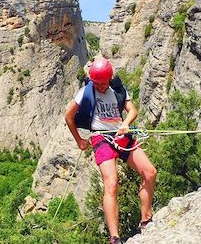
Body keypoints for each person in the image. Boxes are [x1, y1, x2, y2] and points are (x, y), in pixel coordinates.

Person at [65, 57, 157, 244]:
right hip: (101, 138)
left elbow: (132, 110)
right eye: (96, 83)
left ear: (109, 79)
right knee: (112, 183)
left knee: (150, 172)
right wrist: (79, 141)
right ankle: (114, 238)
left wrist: (125, 123)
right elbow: (69, 117)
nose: (99, 87)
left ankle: (146, 218)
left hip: (121, 135)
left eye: (103, 83)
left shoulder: (117, 89)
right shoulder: (85, 92)